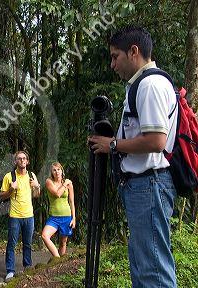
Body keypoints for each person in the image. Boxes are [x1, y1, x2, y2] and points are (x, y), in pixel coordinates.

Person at [89, 26, 177, 287]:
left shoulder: (149, 84)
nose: (112, 64)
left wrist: (113, 145)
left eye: (115, 56)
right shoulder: (143, 85)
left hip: (149, 185)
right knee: (143, 266)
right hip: (144, 186)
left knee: (153, 272)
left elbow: (156, 141)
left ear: (134, 51)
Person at [0, 151, 40, 282]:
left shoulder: (32, 176)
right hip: (15, 216)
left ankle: (27, 266)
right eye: (19, 158)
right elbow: (1, 196)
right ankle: (10, 271)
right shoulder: (9, 176)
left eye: (24, 158)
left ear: (27, 161)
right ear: (15, 161)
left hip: (29, 216)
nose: (22, 160)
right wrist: (11, 189)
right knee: (12, 244)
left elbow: (36, 195)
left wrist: (37, 187)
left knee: (27, 243)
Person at [42, 162, 75, 258]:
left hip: (66, 216)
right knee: (45, 235)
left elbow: (71, 202)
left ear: (62, 171)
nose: (57, 172)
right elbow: (57, 194)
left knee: (63, 242)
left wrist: (74, 218)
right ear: (52, 172)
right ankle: (57, 259)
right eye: (54, 170)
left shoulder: (69, 184)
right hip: (54, 218)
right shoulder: (49, 182)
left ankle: (59, 266)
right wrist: (65, 183)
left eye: (58, 169)